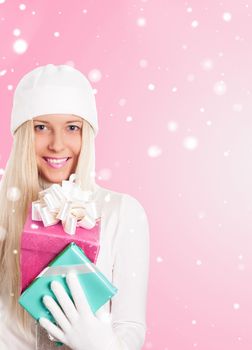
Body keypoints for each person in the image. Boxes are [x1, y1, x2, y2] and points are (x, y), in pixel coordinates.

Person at [0, 64, 150, 350]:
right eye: (41, 127)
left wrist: (101, 345)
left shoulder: (122, 212)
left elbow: (129, 325)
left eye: (72, 128)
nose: (58, 145)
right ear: (22, 134)